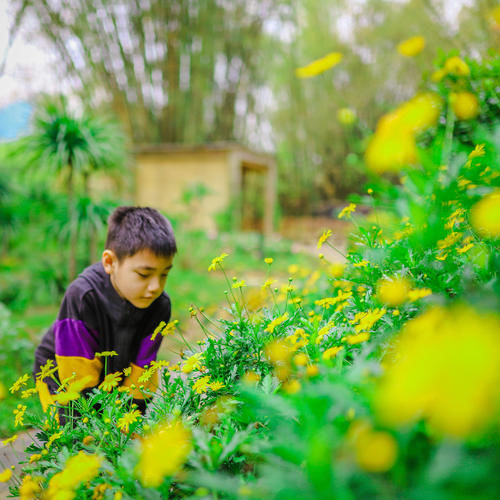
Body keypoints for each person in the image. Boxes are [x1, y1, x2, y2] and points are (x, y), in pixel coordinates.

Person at [33, 206, 176, 416]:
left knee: (120, 437)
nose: (156, 286)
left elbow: (143, 371)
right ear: (110, 262)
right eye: (144, 275)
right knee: (73, 435)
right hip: (62, 371)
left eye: (164, 274)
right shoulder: (83, 297)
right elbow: (76, 379)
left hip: (113, 370)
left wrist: (130, 421)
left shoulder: (160, 306)